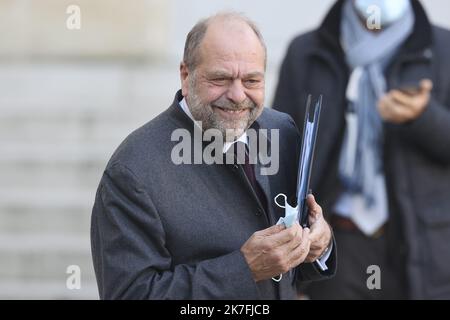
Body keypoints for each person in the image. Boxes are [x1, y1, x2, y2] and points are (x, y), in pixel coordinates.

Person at [90, 12, 336, 300]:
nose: (237, 94)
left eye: (252, 80)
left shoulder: (281, 130)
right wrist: (244, 269)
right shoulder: (132, 171)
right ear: (186, 75)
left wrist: (321, 242)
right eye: (220, 78)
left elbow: (291, 267)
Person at [273, 0, 450, 299]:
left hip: (418, 244)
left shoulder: (442, 49)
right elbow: (280, 156)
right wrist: (292, 274)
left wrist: (424, 117)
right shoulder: (306, 51)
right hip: (337, 240)